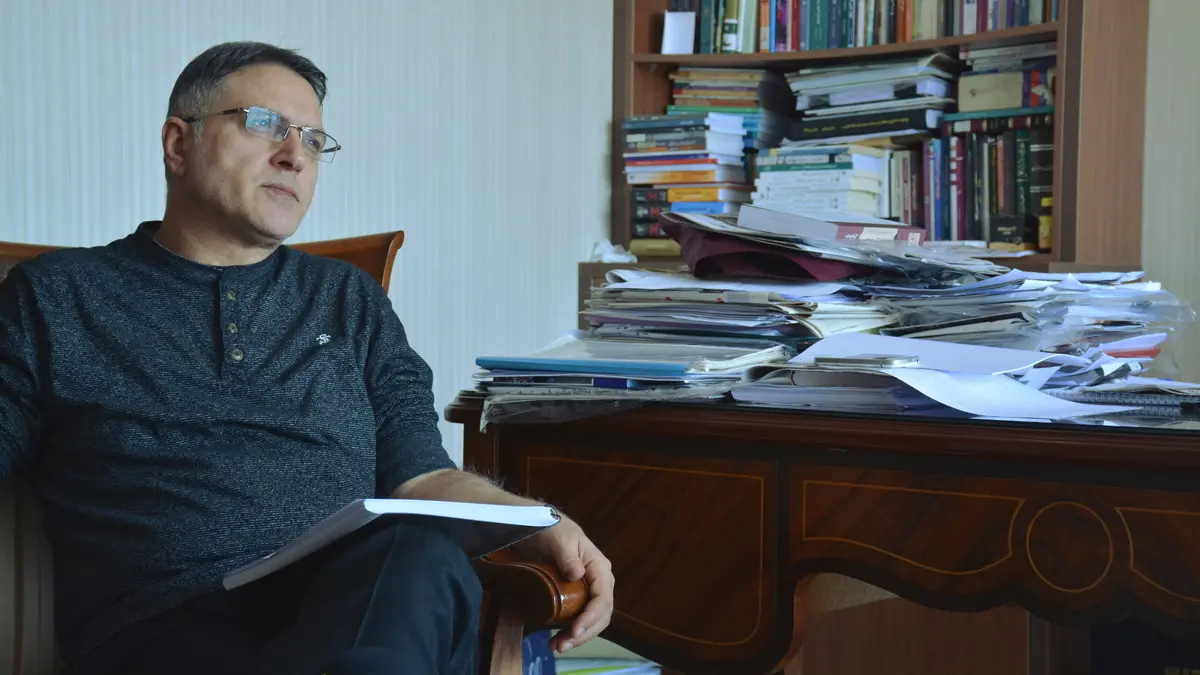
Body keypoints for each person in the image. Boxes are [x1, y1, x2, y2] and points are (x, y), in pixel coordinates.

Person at [0, 41, 614, 675]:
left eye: (314, 140)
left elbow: (422, 478)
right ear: (179, 144)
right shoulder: (56, 296)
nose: (295, 155)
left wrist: (539, 520)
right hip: (164, 628)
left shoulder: (349, 300)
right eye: (265, 124)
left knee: (417, 549)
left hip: (351, 613)